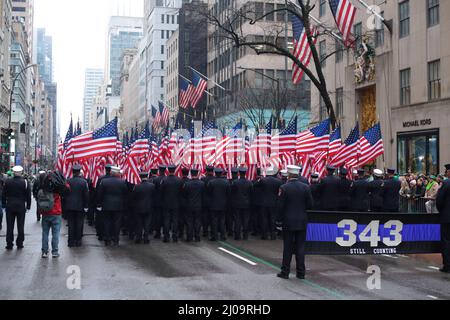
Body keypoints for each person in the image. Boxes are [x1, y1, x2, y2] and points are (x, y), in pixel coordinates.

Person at [276, 165, 313, 280]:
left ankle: (285, 271)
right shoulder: (306, 187)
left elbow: (280, 206)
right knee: (300, 248)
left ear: (289, 174)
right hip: (302, 221)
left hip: (288, 221)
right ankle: (301, 272)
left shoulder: (284, 187)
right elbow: (310, 205)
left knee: (287, 247)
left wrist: (278, 220)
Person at [38, 171, 69, 258]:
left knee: (45, 233)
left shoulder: (44, 188)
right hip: (56, 213)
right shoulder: (58, 189)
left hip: (45, 213)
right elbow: (67, 188)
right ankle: (55, 252)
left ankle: (44, 251)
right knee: (55, 234)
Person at [96, 166, 128, 246]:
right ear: (117, 173)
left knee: (107, 222)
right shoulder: (122, 182)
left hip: (106, 205)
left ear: (111, 172)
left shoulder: (104, 181)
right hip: (118, 206)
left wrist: (99, 204)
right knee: (117, 223)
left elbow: (100, 194)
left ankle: (107, 239)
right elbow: (125, 194)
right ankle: (116, 240)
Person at [2, 166, 31, 250]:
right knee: (20, 225)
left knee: (10, 226)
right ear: (21, 172)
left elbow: (3, 194)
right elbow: (28, 195)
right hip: (21, 205)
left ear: (13, 172)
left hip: (10, 205)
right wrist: (28, 206)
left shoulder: (8, 181)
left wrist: (4, 205)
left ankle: (9, 243)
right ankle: (20, 243)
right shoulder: (25, 182)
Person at [65, 165, 89, 247]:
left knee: (71, 224)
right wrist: (86, 206)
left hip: (70, 205)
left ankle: (71, 241)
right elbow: (86, 195)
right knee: (79, 224)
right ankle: (78, 241)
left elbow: (65, 194)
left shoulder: (68, 181)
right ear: (79, 172)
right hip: (80, 206)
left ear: (73, 172)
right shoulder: (83, 182)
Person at [159, 165, 183, 243]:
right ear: (174, 170)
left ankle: (166, 237)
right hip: (176, 203)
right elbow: (181, 192)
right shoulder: (179, 180)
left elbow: (161, 192)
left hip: (166, 203)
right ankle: (175, 236)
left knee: (167, 220)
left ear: (168, 170)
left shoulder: (164, 180)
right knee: (175, 220)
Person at [258, 166, 283, 240]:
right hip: (274, 202)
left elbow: (255, 185)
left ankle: (264, 235)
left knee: (264, 219)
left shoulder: (263, 180)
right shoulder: (278, 181)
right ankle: (273, 235)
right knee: (273, 219)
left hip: (264, 202)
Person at [207, 168, 230, 241]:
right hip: (223, 204)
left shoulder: (211, 182)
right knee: (222, 221)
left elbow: (209, 193)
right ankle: (223, 236)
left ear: (215, 173)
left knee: (214, 221)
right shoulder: (226, 182)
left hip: (213, 204)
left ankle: (214, 236)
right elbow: (228, 194)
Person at [132, 172, 155, 244]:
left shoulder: (137, 186)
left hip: (139, 207)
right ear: (147, 177)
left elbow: (134, 197)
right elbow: (154, 196)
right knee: (147, 223)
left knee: (139, 223)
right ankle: (146, 237)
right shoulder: (152, 186)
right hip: (149, 207)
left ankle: (138, 237)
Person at [231, 167, 253, 240]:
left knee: (237, 219)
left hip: (237, 203)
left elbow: (232, 192)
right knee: (245, 219)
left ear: (239, 173)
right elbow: (251, 193)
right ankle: (245, 235)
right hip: (247, 203)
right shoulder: (249, 182)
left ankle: (237, 235)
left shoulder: (235, 182)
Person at [183, 169, 205, 242]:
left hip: (189, 205)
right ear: (197, 174)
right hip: (198, 205)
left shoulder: (187, 184)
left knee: (189, 221)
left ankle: (189, 237)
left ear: (191, 174)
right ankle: (197, 236)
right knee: (197, 221)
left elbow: (184, 195)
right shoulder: (202, 183)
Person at [436, 164, 450, 273]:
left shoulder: (446, 183)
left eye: (447, 171)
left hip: (447, 217)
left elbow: (439, 200)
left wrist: (442, 211)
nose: (446, 172)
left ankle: (447, 265)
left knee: (446, 241)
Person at [95, 164, 113, 241]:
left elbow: (98, 192)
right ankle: (110, 235)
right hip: (113, 204)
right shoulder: (116, 179)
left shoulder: (101, 178)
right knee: (112, 220)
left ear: (105, 170)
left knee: (102, 220)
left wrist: (98, 203)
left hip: (103, 203)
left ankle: (102, 235)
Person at [152, 165, 166, 239]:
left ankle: (158, 232)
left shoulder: (155, 180)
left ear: (159, 171)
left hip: (157, 201)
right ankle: (165, 231)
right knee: (165, 217)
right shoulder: (166, 179)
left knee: (157, 217)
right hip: (165, 201)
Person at [201, 166, 215, 238]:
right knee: (213, 218)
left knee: (205, 217)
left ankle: (205, 231)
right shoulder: (215, 179)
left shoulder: (203, 179)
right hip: (213, 201)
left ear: (206, 171)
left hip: (205, 201)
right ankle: (213, 232)